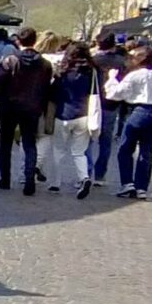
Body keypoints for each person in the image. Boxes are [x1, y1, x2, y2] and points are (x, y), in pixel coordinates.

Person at [0, 30, 50, 195]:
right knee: (29, 144)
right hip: (32, 107)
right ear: (35, 41)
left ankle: (5, 180)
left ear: (19, 42)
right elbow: (46, 88)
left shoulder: (13, 61)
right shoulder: (44, 64)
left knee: (5, 144)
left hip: (10, 106)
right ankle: (29, 180)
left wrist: (3, 67)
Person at [107, 45, 152, 199]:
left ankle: (127, 183)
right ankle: (141, 186)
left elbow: (115, 94)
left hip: (137, 111)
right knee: (147, 151)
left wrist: (111, 79)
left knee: (125, 148)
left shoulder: (135, 76)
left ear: (141, 59)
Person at [48, 41, 99, 199]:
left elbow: (53, 93)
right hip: (84, 115)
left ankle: (55, 183)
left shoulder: (63, 71)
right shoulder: (92, 71)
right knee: (79, 152)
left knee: (58, 150)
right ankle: (84, 177)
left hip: (63, 114)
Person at [90, 34, 127, 185]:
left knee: (87, 139)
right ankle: (100, 175)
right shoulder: (121, 62)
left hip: (92, 101)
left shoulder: (92, 61)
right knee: (106, 141)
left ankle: (85, 173)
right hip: (112, 103)